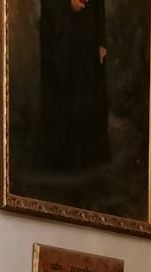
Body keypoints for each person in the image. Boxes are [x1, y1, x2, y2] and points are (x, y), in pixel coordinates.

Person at [38, 0, 110, 172]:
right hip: (62, 38)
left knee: (87, 92)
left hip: (88, 34)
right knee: (64, 91)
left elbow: (99, 4)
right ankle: (63, 160)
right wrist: (67, 5)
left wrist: (101, 40)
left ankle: (88, 159)